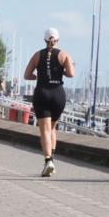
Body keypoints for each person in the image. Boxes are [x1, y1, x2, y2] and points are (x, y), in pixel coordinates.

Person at [23, 27, 75, 176]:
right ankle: (52, 159)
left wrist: (39, 77)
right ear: (57, 40)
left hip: (42, 93)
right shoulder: (64, 55)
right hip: (58, 94)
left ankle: (48, 160)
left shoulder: (37, 55)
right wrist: (60, 72)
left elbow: (27, 75)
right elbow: (71, 74)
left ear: (45, 40)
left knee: (44, 130)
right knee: (52, 128)